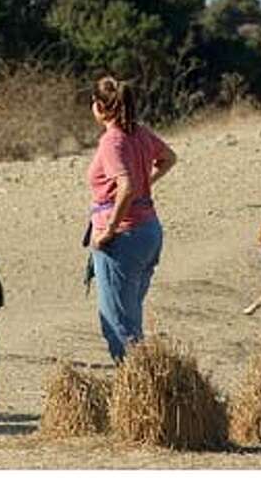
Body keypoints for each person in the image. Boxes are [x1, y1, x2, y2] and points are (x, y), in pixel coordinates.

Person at [85, 76, 177, 362]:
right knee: (130, 317)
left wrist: (109, 229)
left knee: (119, 327)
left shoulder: (112, 141)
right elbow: (169, 158)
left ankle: (139, 392)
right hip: (148, 231)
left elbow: (125, 186)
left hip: (123, 237)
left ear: (99, 106)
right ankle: (145, 389)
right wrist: (145, 185)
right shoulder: (140, 132)